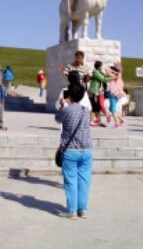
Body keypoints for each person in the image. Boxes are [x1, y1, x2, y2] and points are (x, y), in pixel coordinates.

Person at [55, 83, 92, 219]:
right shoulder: (86, 111)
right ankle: (82, 209)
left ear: (69, 95)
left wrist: (62, 105)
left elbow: (57, 119)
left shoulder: (67, 110)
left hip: (70, 150)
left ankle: (72, 211)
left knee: (71, 180)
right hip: (86, 149)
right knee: (84, 181)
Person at [88, 61, 114, 127]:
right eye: (101, 66)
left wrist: (111, 74)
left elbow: (105, 76)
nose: (102, 67)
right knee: (94, 106)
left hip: (97, 92)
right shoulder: (96, 72)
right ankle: (91, 121)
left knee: (98, 107)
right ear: (99, 66)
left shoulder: (99, 72)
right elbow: (103, 79)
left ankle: (98, 121)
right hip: (93, 91)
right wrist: (112, 78)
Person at [108, 63, 125, 128]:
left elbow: (106, 69)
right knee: (111, 109)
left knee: (112, 109)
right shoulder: (117, 75)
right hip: (115, 94)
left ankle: (117, 123)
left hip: (114, 94)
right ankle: (121, 120)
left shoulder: (116, 75)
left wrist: (113, 70)